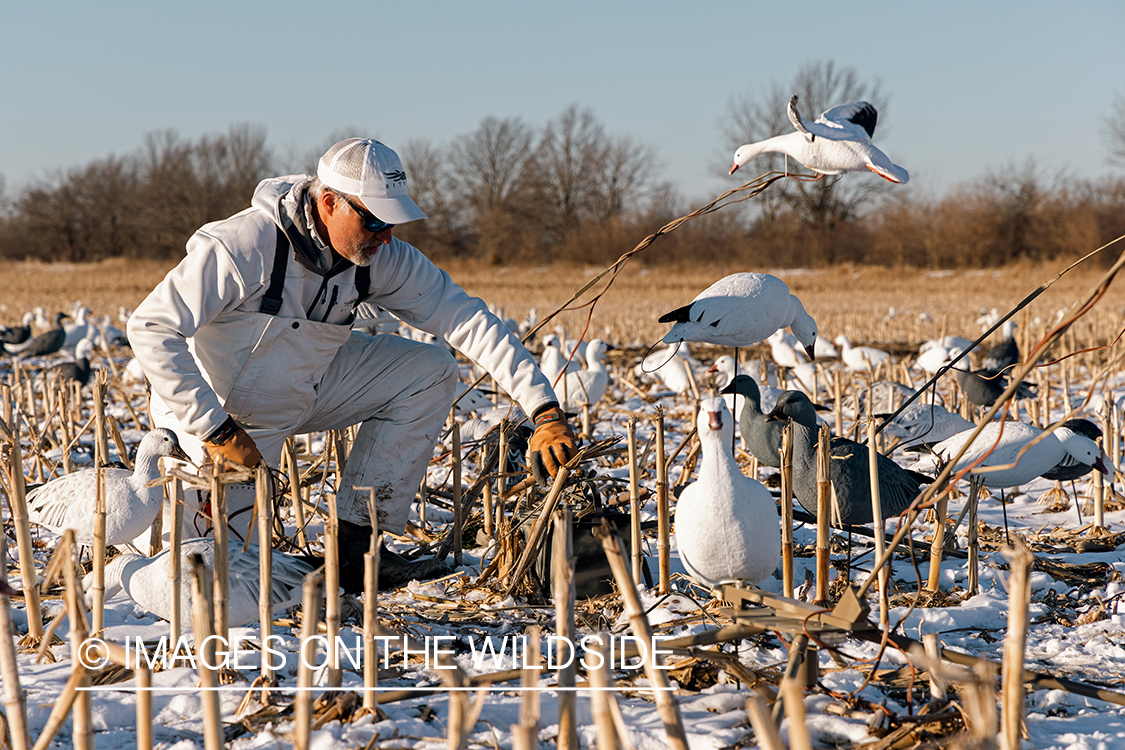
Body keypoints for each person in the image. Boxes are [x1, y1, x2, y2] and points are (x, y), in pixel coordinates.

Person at [127, 138, 578, 590]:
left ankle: (356, 555)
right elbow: (150, 327)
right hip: (219, 422)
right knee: (206, 581)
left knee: (430, 371)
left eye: (394, 222)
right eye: (376, 220)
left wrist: (544, 410)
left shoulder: (379, 257)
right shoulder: (244, 247)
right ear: (329, 203)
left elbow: (465, 318)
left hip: (304, 388)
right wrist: (215, 430)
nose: (386, 235)